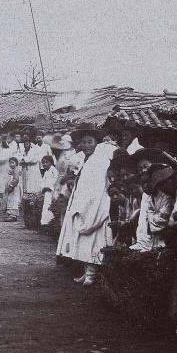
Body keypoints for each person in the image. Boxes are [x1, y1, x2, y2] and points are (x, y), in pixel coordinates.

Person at [56, 123, 116, 287]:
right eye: (84, 142)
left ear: (96, 143)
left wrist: (88, 206)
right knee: (83, 241)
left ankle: (92, 273)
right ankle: (86, 270)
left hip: (95, 205)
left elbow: (99, 187)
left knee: (94, 240)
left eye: (90, 142)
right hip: (83, 204)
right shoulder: (85, 160)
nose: (87, 145)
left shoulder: (100, 160)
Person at [3, 157, 22, 222]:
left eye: (12, 163)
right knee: (10, 200)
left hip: (14, 189)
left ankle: (13, 215)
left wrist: (11, 186)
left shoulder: (16, 170)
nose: (11, 164)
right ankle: (10, 214)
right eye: (10, 163)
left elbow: (16, 179)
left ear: (16, 163)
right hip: (11, 188)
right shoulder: (11, 170)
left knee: (13, 200)